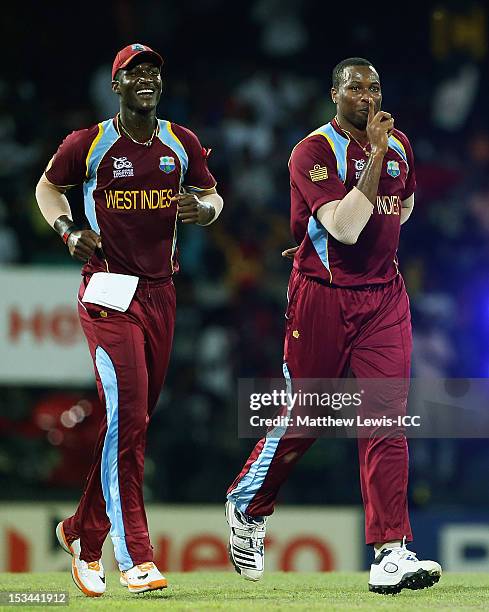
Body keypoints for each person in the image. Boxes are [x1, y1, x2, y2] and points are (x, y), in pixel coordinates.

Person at [225, 57, 442, 595]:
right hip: (321, 299)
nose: (366, 96)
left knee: (387, 417)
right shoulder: (313, 151)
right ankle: (246, 503)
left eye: (374, 87)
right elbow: (344, 230)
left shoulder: (402, 146)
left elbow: (403, 206)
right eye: (355, 88)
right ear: (334, 95)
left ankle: (391, 550)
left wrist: (354, 230)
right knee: (309, 415)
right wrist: (370, 159)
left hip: (383, 299)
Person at [35, 43, 223, 597]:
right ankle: (135, 555)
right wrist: (68, 230)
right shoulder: (87, 144)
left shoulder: (179, 142)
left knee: (132, 423)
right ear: (115, 86)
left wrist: (203, 211)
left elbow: (213, 198)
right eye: (133, 72)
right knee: (129, 417)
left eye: (152, 72)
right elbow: (47, 187)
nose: (145, 78)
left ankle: (80, 534)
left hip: (161, 294)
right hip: (107, 293)